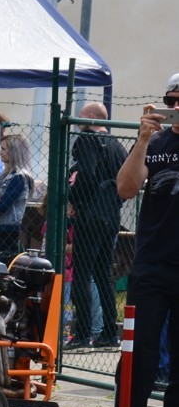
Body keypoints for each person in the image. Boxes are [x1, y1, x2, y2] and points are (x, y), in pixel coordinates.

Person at [115, 78, 179, 407]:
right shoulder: (154, 143)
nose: (176, 107)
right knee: (138, 347)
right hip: (153, 261)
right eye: (172, 100)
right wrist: (141, 140)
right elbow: (126, 189)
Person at [68, 101, 127, 347]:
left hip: (89, 213)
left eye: (81, 117)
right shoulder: (117, 146)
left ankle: (82, 333)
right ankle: (109, 332)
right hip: (111, 214)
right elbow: (125, 181)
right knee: (103, 274)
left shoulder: (86, 139)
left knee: (82, 273)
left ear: (91, 117)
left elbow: (87, 175)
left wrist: (74, 198)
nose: (78, 122)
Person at [0, 131, 35, 263]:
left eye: (4, 149)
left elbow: (1, 207)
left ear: (14, 152)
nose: (0, 152)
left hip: (7, 230)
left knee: (1, 263)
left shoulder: (20, 177)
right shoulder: (4, 176)